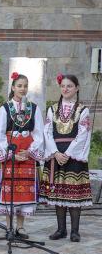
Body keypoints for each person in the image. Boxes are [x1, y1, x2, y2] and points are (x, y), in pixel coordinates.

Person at [40, 74, 93, 242]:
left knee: (74, 196)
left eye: (69, 86)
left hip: (73, 156)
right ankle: (61, 229)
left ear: (76, 88)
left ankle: (75, 231)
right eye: (63, 86)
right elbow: (47, 132)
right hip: (56, 155)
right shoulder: (52, 109)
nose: (65, 89)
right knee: (58, 195)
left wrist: (68, 154)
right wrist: (55, 153)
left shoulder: (82, 111)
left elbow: (83, 134)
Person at [0, 72, 44, 239]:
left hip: (27, 152)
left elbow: (38, 133)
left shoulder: (33, 108)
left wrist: (29, 151)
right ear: (13, 87)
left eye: (25, 86)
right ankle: (8, 226)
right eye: (19, 86)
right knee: (10, 189)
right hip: (11, 151)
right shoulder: (5, 108)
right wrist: (10, 154)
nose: (23, 89)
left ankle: (20, 226)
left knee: (25, 189)